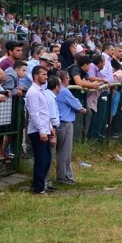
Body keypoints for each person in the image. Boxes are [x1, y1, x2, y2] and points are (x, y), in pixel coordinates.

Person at [25, 66, 54, 194]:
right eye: (43, 74)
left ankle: (40, 184)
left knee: (47, 158)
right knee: (41, 159)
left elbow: (44, 112)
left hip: (44, 128)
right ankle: (38, 187)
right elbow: (34, 114)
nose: (46, 77)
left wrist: (50, 128)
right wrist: (42, 131)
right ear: (36, 76)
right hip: (37, 130)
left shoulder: (41, 91)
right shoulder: (32, 92)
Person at [54, 70, 85, 184]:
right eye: (67, 78)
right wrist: (79, 108)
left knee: (60, 151)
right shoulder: (64, 91)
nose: (69, 80)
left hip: (57, 123)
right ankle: (63, 177)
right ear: (62, 79)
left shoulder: (55, 90)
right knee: (64, 152)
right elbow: (77, 105)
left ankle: (63, 175)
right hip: (65, 123)